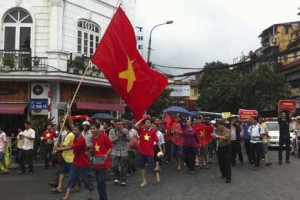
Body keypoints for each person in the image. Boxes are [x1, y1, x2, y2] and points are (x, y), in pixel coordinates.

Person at [57, 111, 94, 200]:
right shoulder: (75, 134)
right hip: (76, 163)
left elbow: (70, 147)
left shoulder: (82, 140)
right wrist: (69, 114)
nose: (73, 131)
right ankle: (67, 196)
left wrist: (58, 149)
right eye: (73, 130)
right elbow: (71, 123)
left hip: (84, 164)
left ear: (80, 131)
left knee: (87, 180)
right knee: (71, 178)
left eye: (75, 130)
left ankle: (90, 195)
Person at [135, 117, 163, 187]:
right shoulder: (141, 129)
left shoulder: (153, 131)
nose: (149, 124)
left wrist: (161, 150)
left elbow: (157, 141)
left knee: (151, 168)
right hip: (141, 152)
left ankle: (156, 173)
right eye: (147, 123)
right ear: (144, 124)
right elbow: (135, 126)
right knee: (142, 167)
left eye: (149, 123)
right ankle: (144, 181)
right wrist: (142, 119)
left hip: (150, 153)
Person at [91, 123, 112, 200]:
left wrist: (106, 155)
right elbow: (94, 148)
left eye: (94, 128)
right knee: (99, 183)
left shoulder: (104, 136)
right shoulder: (93, 138)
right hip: (97, 162)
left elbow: (110, 147)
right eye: (91, 129)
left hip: (104, 162)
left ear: (98, 129)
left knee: (101, 181)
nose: (92, 130)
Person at [109, 119, 130, 186]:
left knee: (123, 166)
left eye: (120, 124)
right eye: (118, 124)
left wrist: (124, 137)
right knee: (114, 166)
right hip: (115, 150)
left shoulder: (125, 130)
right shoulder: (111, 131)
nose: (119, 126)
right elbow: (111, 141)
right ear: (114, 124)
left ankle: (123, 179)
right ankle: (117, 176)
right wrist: (117, 137)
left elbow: (128, 140)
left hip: (124, 149)